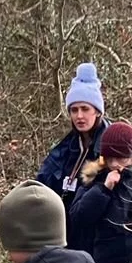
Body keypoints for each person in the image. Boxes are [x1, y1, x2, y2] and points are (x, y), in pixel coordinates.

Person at [65, 119, 132, 263]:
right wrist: (104, 189)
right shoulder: (94, 181)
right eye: (111, 159)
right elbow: (78, 217)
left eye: (122, 159)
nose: (116, 164)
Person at [36, 63, 108, 200]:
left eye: (85, 109)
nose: (79, 116)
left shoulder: (112, 147)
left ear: (98, 111)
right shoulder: (64, 149)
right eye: (74, 110)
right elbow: (41, 185)